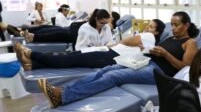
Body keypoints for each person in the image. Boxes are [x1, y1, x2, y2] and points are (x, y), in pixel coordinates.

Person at [37, 11, 199, 108]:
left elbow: (185, 68)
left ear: (186, 25)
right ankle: (63, 91)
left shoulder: (190, 43)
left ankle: (63, 98)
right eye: (172, 24)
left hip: (159, 73)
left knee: (113, 76)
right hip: (147, 62)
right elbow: (160, 52)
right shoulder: (171, 37)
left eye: (177, 25)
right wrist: (150, 51)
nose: (173, 28)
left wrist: (165, 54)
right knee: (106, 70)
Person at [14, 19, 165, 71]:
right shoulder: (147, 38)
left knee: (68, 59)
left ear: (157, 33)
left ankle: (30, 54)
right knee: (72, 58)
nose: (147, 28)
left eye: (151, 26)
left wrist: (123, 41)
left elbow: (127, 41)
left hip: (112, 57)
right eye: (149, 26)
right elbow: (129, 42)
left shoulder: (150, 37)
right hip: (109, 52)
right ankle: (32, 65)